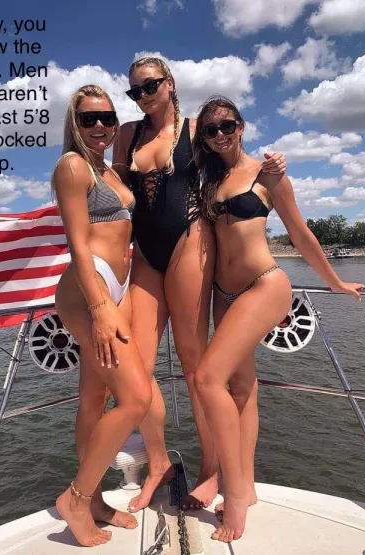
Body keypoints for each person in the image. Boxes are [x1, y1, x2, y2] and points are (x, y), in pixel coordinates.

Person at [112, 56, 287, 511]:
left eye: (150, 86)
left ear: (169, 83)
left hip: (189, 244)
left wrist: (274, 168)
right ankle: (158, 464)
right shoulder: (128, 134)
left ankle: (212, 469)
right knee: (137, 367)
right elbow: (118, 193)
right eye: (134, 90)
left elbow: (233, 160)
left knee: (195, 366)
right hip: (145, 255)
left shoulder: (195, 130)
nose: (142, 96)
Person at [191, 95, 365, 543]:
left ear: (242, 126)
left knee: (207, 379)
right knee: (242, 389)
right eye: (210, 130)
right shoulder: (210, 180)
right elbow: (178, 129)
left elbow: (300, 233)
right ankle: (246, 486)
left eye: (227, 125)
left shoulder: (268, 174)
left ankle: (233, 495)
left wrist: (334, 282)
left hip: (264, 285)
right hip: (223, 295)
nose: (220, 135)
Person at [53, 84, 152, 547]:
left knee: (95, 399)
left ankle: (93, 502)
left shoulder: (108, 169)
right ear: (74, 123)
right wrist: (98, 308)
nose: (99, 126)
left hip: (118, 283)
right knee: (136, 398)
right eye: (88, 118)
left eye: (107, 118)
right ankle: (75, 498)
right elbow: (76, 244)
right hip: (88, 286)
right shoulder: (73, 166)